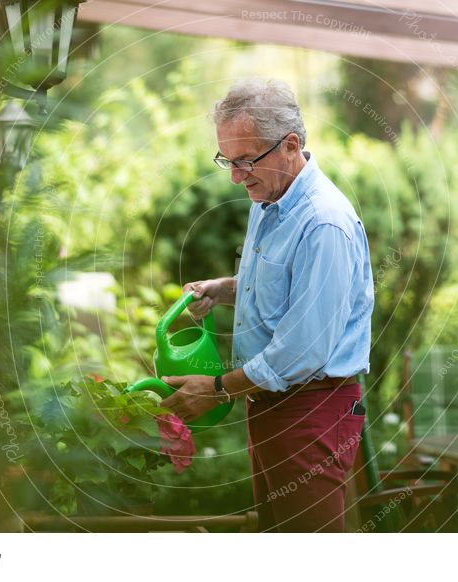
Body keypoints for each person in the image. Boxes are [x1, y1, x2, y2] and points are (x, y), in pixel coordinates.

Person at [162, 78, 374, 532]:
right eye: (227, 161)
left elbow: (301, 353)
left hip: (312, 408)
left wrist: (217, 388)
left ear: (290, 145)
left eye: (244, 161)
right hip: (272, 404)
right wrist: (222, 288)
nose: (236, 176)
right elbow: (278, 286)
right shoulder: (271, 197)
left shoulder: (324, 224)